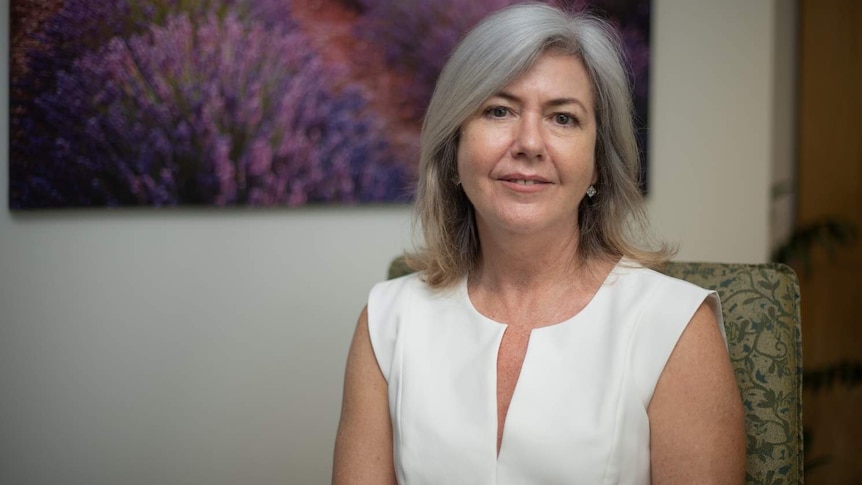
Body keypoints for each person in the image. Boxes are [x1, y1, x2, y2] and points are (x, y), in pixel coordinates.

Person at [333, 3, 745, 483]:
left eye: (563, 118)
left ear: (597, 160)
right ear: (455, 147)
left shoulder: (674, 327)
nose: (529, 142)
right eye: (499, 110)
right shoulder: (387, 321)